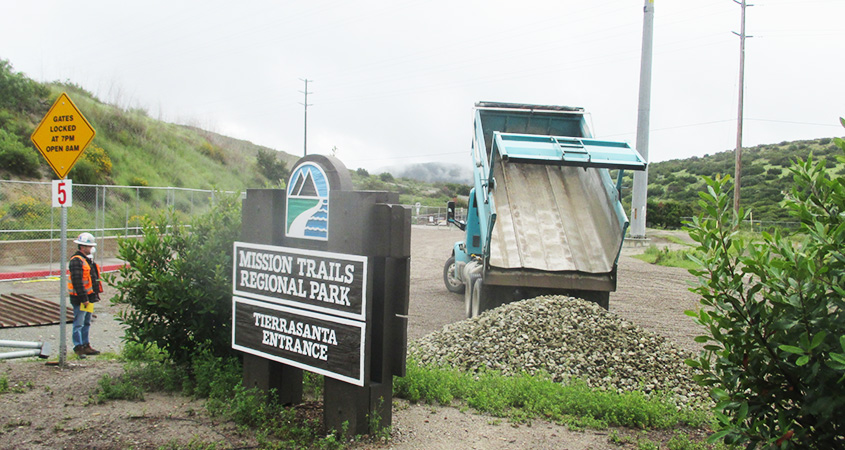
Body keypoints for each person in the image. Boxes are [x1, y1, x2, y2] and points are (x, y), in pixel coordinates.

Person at [68, 232, 102, 358]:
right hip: (81, 299)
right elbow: (78, 282)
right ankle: (78, 346)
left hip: (88, 298)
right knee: (79, 323)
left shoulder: (86, 260)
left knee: (86, 322)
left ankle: (86, 345)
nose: (91, 249)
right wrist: (84, 299)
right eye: (89, 246)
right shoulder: (76, 261)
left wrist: (91, 298)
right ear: (83, 247)